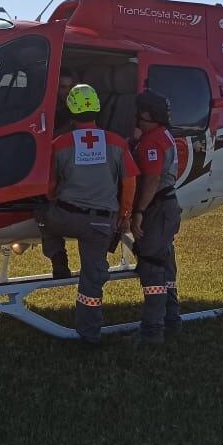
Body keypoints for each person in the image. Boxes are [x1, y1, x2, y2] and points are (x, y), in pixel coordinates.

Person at [37, 83, 138, 346]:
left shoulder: (59, 144)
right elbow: (130, 181)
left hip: (65, 217)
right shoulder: (117, 142)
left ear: (70, 110)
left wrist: (53, 199)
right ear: (97, 108)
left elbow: (49, 187)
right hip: (101, 222)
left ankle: (58, 257)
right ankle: (89, 334)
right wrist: (124, 213)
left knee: (41, 213)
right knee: (92, 278)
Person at [128, 89, 183, 345]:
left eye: (140, 114)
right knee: (165, 264)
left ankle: (152, 331)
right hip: (167, 207)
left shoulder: (152, 141)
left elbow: (151, 179)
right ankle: (171, 319)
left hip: (157, 209)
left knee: (152, 267)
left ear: (148, 115)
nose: (137, 119)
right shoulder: (163, 136)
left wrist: (138, 212)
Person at [53, 68, 77, 136]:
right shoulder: (47, 108)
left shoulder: (76, 107)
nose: (68, 91)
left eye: (70, 87)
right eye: (63, 87)